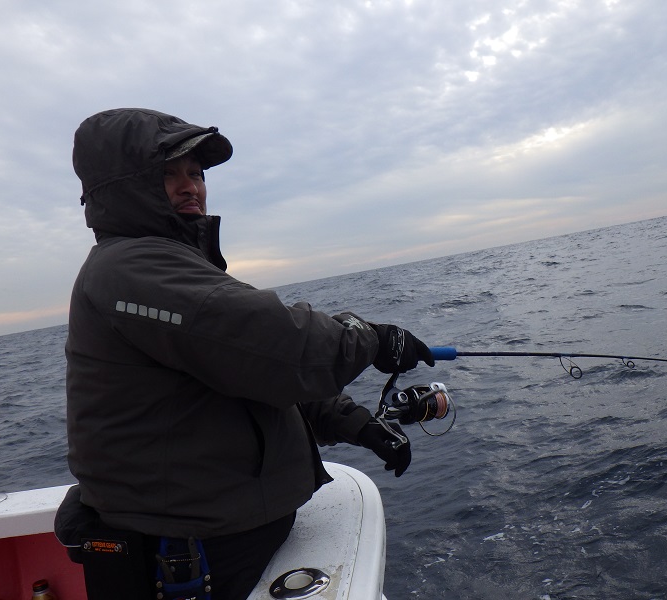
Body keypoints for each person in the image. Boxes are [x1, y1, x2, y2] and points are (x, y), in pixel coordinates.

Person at [55, 108, 434, 599]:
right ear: (124, 187)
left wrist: (357, 424)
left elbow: (248, 374)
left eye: (196, 172)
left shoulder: (169, 266)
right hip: (192, 561)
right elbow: (285, 349)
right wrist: (375, 338)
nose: (190, 186)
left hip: (226, 545)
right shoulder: (132, 268)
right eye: (168, 174)